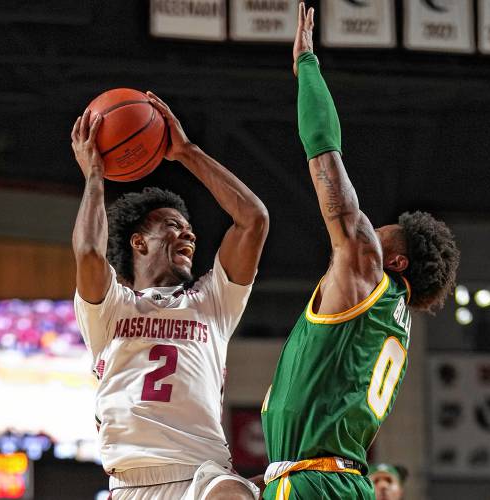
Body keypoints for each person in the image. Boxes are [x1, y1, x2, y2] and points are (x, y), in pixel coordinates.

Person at [259, 3, 460, 499]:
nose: (376, 228)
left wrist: (306, 66)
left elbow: (325, 154)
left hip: (314, 481)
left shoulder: (368, 272)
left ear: (395, 260)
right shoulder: (390, 318)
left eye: (386, 231)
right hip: (338, 479)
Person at [71, 91, 268, 499]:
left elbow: (253, 220)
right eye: (174, 226)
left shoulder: (213, 300)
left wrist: (187, 151)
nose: (189, 234)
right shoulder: (110, 308)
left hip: (203, 472)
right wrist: (94, 174)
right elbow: (89, 252)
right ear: (139, 243)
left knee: (232, 495)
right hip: (131, 481)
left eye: (189, 227)